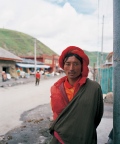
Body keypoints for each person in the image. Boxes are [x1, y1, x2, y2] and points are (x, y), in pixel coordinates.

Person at [49, 46, 104, 144]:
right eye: (68, 64)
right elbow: (56, 115)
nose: (71, 68)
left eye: (76, 64)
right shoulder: (56, 88)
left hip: (84, 137)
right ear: (63, 66)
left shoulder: (94, 88)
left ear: (82, 66)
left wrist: (83, 129)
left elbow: (97, 116)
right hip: (60, 138)